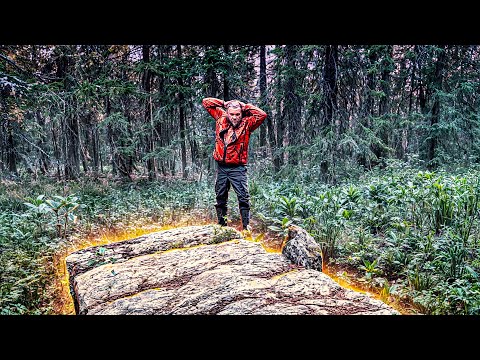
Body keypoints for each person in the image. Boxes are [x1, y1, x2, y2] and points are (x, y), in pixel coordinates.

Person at [202, 97, 267, 231]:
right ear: (227, 112)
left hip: (238, 167)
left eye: (237, 114)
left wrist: (245, 106)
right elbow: (206, 102)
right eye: (232, 114)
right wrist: (223, 103)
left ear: (241, 114)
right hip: (222, 166)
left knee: (243, 197)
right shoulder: (220, 117)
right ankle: (221, 226)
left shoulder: (247, 123)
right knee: (220, 196)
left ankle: (245, 228)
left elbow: (262, 115)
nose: (235, 117)